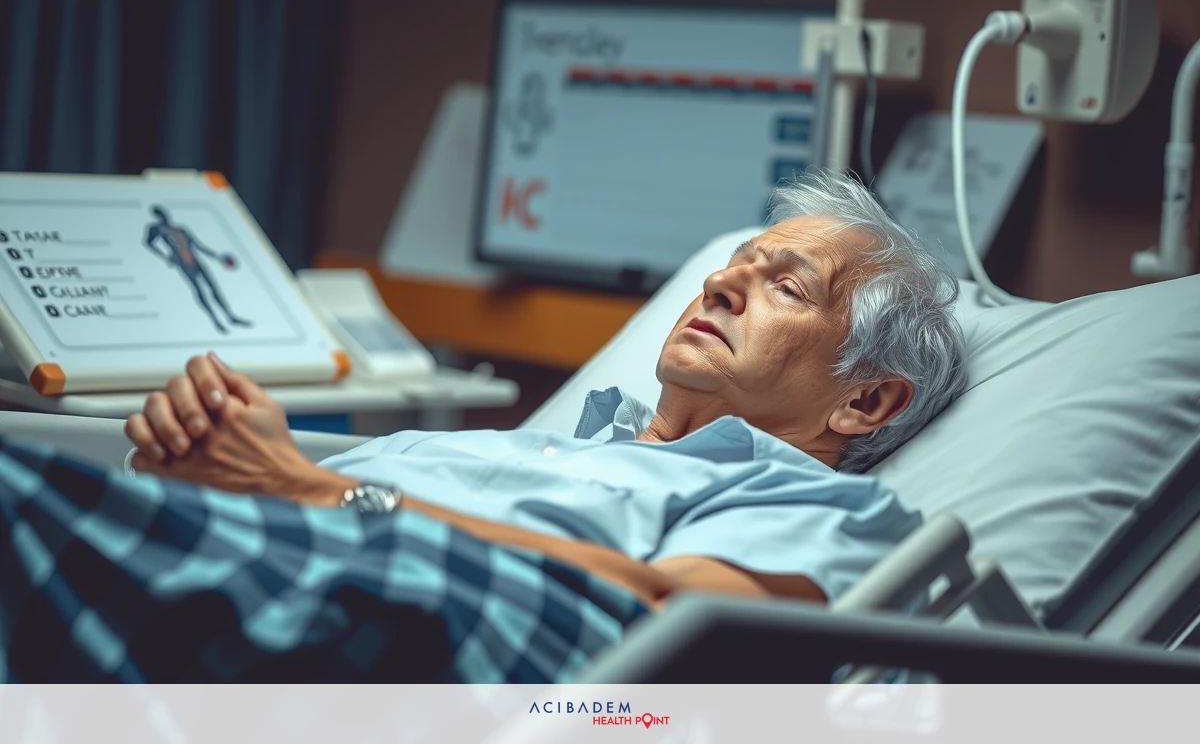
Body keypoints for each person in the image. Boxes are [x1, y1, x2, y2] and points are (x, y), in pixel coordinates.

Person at [0, 171, 966, 682]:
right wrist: (202, 464)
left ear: (865, 401)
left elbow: (697, 641)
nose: (719, 282)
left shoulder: (809, 500)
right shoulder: (510, 446)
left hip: (460, 636)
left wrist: (307, 486)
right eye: (736, 266)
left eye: (783, 285)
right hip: (293, 565)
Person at [144, 205, 253, 334]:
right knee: (200, 290)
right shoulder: (156, 229)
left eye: (165, 213)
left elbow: (199, 246)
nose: (165, 216)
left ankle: (230, 316)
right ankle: (215, 321)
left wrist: (217, 257)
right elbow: (148, 243)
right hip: (182, 262)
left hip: (196, 260)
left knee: (213, 288)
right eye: (161, 214)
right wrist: (165, 256)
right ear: (157, 216)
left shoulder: (181, 229)